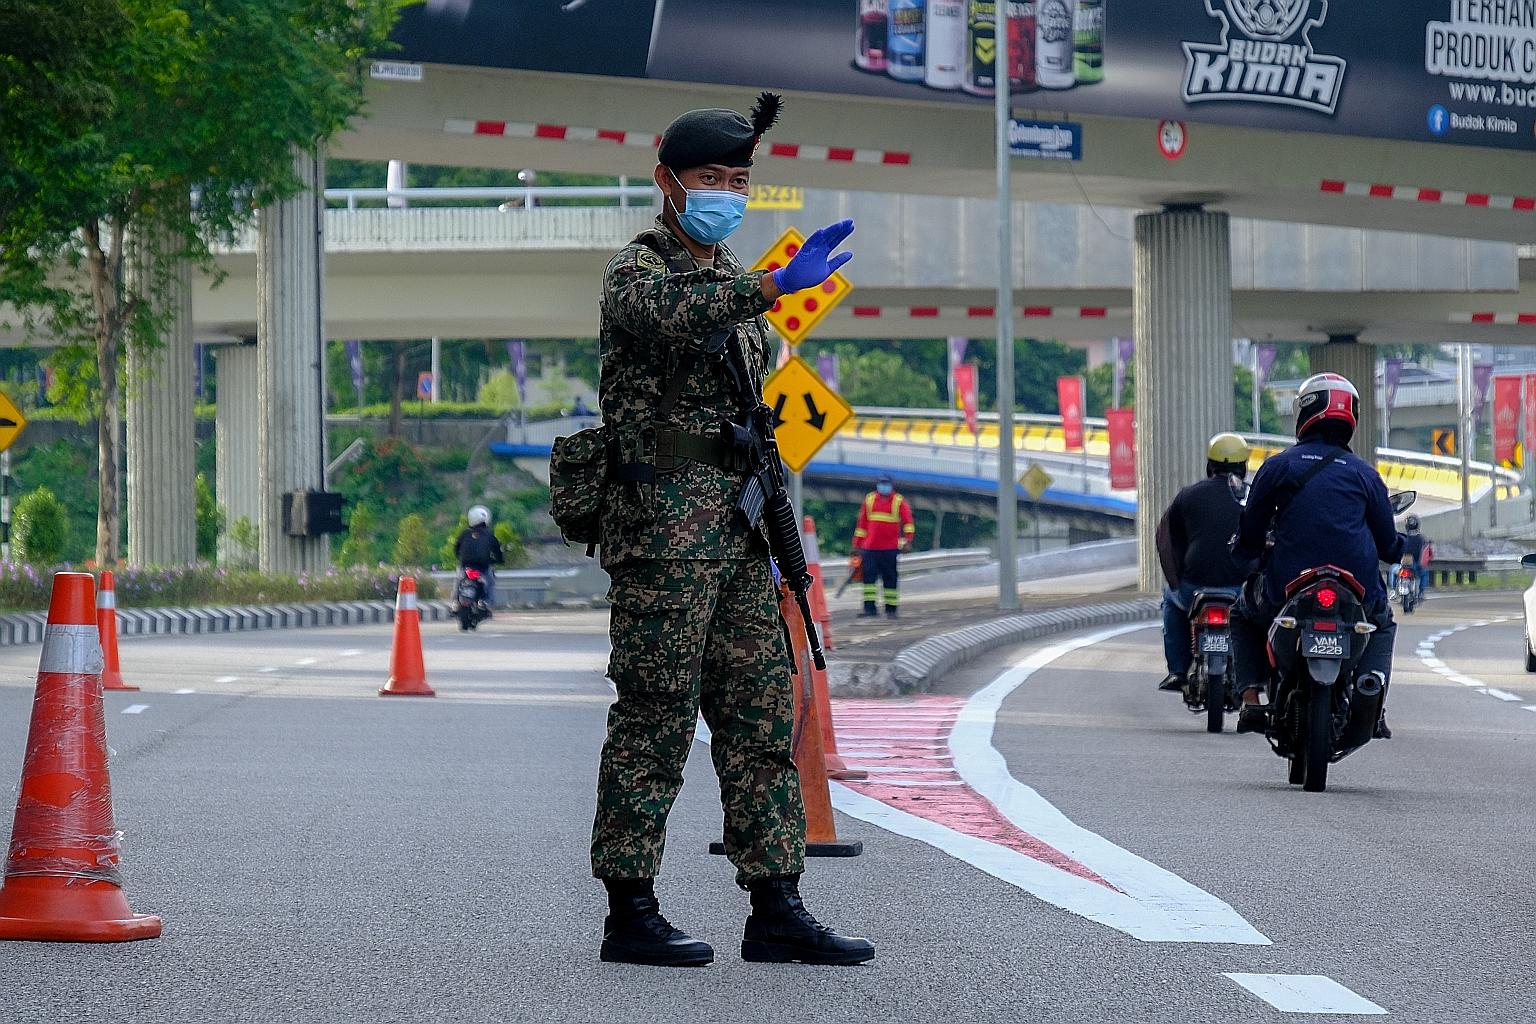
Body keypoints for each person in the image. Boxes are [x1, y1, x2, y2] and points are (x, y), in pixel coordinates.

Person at [590, 92, 873, 968]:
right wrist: (771, 286)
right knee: (655, 719)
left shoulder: (736, 287)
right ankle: (630, 909)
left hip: (741, 533)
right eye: (712, 178)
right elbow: (671, 316)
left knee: (760, 717)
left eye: (740, 180)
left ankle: (776, 903)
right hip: (666, 536)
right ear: (667, 184)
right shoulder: (639, 271)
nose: (727, 192)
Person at [1228, 372, 1402, 738]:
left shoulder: (1279, 466)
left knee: (1243, 612)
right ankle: (1373, 692)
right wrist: (1399, 547)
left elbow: (1252, 529)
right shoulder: (1365, 475)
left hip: (1288, 585)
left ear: (1305, 412)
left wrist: (1246, 552)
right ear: (1350, 416)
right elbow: (1388, 543)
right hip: (1357, 590)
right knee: (1381, 621)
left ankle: (1251, 699)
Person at [1154, 433, 1252, 693]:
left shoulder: (1189, 495)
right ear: (1243, 466)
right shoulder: (1253, 499)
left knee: (1171, 603)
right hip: (1241, 587)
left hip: (1193, 587)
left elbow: (1166, 534)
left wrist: (1175, 578)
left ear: (1210, 465)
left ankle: (1177, 670)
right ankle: (1256, 676)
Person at [853, 473, 915, 619]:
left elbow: (908, 523)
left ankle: (891, 609)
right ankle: (869, 609)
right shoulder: (869, 499)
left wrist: (908, 540)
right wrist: (857, 545)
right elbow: (862, 525)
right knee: (869, 579)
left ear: (891, 485)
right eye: (881, 483)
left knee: (890, 578)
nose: (883, 486)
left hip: (889, 548)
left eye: (886, 484)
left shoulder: (899, 501)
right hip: (870, 548)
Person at [453, 505, 505, 608]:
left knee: (458, 580)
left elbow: (456, 549)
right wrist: (499, 560)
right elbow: (497, 551)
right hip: (483, 567)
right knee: (490, 582)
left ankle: (455, 602)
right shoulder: (489, 535)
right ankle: (486, 601)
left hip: (466, 566)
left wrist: (460, 557)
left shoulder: (465, 533)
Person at [1401, 514, 1431, 592]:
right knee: (1424, 573)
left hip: (1406, 561)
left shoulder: (1403, 537)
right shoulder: (1422, 538)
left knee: (1395, 571)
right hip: (1418, 562)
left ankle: (1394, 590)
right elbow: (1428, 552)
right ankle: (1421, 592)